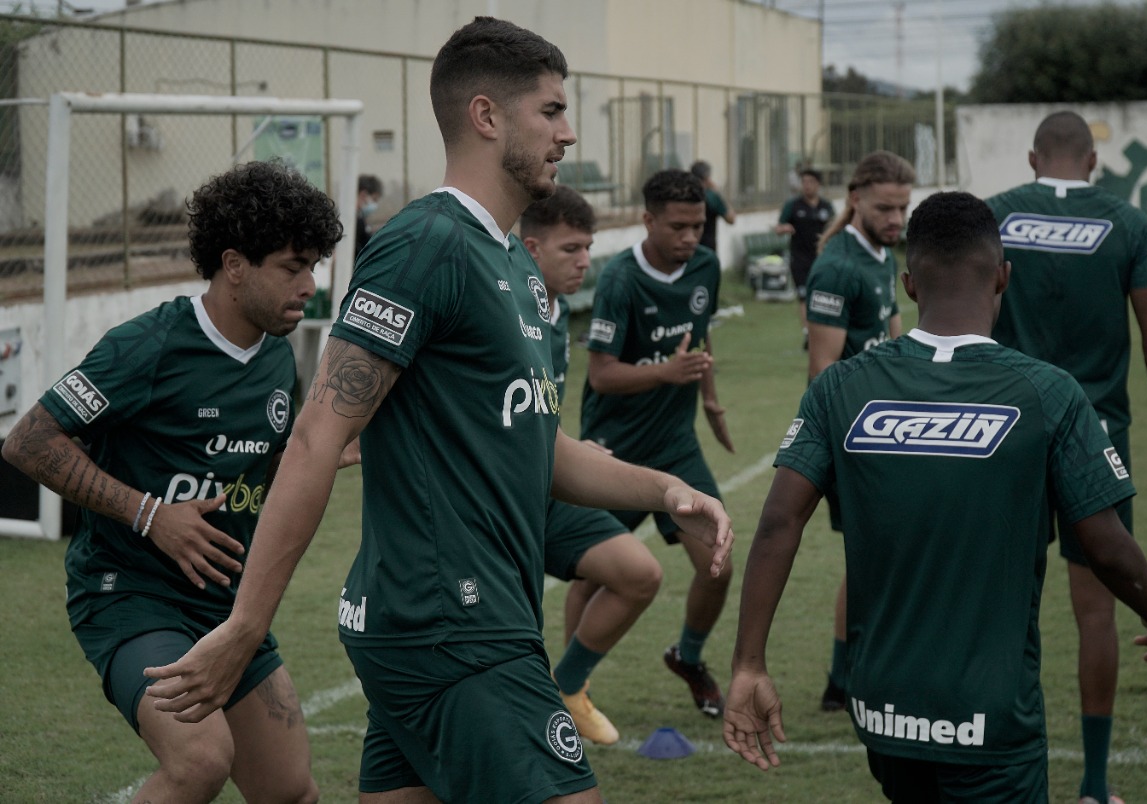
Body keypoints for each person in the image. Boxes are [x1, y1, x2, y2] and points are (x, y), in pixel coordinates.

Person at [141, 18, 732, 804]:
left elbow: (539, 444)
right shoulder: (426, 246)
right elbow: (320, 435)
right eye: (551, 111)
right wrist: (246, 626)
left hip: (456, 621)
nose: (568, 132)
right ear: (486, 116)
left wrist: (663, 490)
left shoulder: (513, 267)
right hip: (452, 620)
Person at [723, 190, 1147, 803]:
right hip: (991, 719)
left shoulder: (840, 387)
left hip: (884, 714)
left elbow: (779, 522)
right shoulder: (1048, 394)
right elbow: (1104, 543)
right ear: (1003, 277)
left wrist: (749, 665)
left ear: (909, 284)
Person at [1, 160, 344, 803]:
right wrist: (150, 514)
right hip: (129, 593)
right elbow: (28, 442)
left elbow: (252, 467)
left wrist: (309, 458)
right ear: (234, 263)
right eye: (292, 267)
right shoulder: (148, 346)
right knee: (200, 761)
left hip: (224, 607)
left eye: (314, 266)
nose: (309, 285)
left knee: (291, 791)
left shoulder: (278, 354)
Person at [985, 110, 1147, 804]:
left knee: (1003, 604)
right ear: (1093, 161)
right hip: (1098, 436)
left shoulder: (995, 215)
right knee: (1095, 612)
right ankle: (1095, 786)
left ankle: (997, 768)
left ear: (1033, 157)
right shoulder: (1126, 223)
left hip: (1004, 430)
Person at [580, 168, 735, 718]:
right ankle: (574, 687)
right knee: (593, 570)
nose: (691, 237)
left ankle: (687, 657)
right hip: (610, 451)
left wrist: (709, 398)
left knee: (718, 562)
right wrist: (667, 373)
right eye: (678, 226)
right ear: (647, 220)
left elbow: (700, 336)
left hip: (676, 447)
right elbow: (601, 375)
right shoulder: (620, 280)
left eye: (698, 225)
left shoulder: (706, 268)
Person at [520, 186, 665, 746]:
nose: (585, 261)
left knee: (639, 573)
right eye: (571, 249)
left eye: (589, 248)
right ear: (530, 248)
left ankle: (570, 688)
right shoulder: (505, 308)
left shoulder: (556, 311)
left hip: (550, 487)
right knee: (513, 638)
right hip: (503, 499)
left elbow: (535, 413)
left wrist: (573, 448)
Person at [803, 149, 914, 713]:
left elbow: (894, 347)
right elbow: (822, 373)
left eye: (903, 208)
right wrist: (854, 444)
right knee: (872, 559)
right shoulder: (838, 267)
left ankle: (849, 676)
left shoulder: (880, 257)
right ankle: (843, 680)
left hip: (886, 431)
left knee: (878, 557)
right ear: (855, 199)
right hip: (853, 435)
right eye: (885, 208)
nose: (896, 219)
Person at [775, 167, 835, 345]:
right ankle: (808, 333)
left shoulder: (826, 206)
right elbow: (779, 227)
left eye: (811, 182)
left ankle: (824, 331)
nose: (807, 186)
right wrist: (784, 228)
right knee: (804, 296)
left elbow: (835, 227)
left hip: (822, 258)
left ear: (818, 185)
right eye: (804, 182)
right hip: (799, 258)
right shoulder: (793, 205)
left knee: (824, 295)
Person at [690, 160, 735, 255]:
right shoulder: (711, 196)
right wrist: (719, 194)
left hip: (686, 245)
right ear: (707, 178)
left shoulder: (684, 193)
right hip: (706, 248)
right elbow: (731, 219)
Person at [355, 173, 383, 257]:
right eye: (374, 200)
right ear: (363, 194)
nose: (375, 205)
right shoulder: (352, 222)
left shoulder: (360, 219)